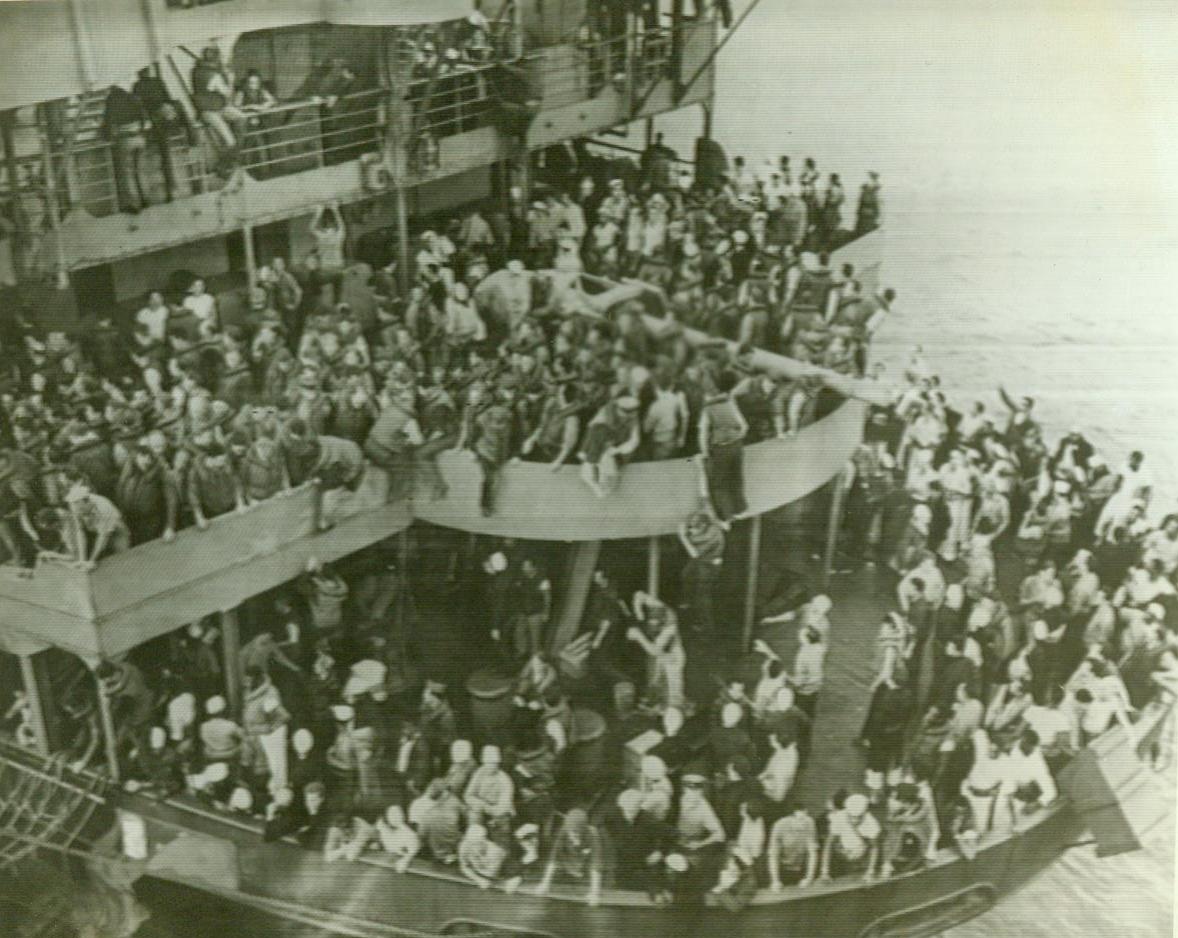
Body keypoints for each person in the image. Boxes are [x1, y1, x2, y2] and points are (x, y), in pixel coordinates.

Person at [698, 372, 749, 523]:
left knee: (719, 484)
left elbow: (702, 432)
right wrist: (736, 437)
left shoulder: (708, 408)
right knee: (736, 478)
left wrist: (705, 452)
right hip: (737, 446)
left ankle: (726, 517)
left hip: (721, 448)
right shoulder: (730, 402)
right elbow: (745, 426)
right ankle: (740, 510)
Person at [627, 591, 686, 711]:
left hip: (672, 656)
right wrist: (638, 611)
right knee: (657, 683)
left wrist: (639, 636)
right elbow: (638, 595)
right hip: (661, 655)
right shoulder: (656, 605)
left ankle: (674, 713)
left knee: (674, 696)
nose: (652, 624)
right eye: (651, 621)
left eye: (656, 623)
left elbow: (654, 650)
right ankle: (658, 706)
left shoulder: (670, 624)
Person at [536, 807, 606, 905]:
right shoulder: (563, 831)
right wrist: (545, 883)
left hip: (585, 869)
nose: (573, 837)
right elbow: (554, 858)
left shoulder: (593, 834)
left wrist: (595, 893)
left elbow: (596, 864)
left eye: (576, 834)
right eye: (571, 834)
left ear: (583, 830)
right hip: (568, 865)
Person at [820, 792, 880, 882]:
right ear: (847, 812)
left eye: (858, 817)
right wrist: (824, 871)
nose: (854, 821)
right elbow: (829, 844)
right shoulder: (839, 817)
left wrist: (870, 871)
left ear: (864, 813)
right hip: (841, 854)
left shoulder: (872, 823)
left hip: (862, 857)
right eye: (851, 817)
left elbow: (874, 848)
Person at [767, 806, 820, 889]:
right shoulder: (779, 826)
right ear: (790, 818)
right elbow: (773, 856)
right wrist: (775, 881)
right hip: (783, 868)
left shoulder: (809, 822)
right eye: (800, 820)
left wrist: (809, 878)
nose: (803, 823)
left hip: (801, 867)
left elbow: (813, 853)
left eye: (805, 817)